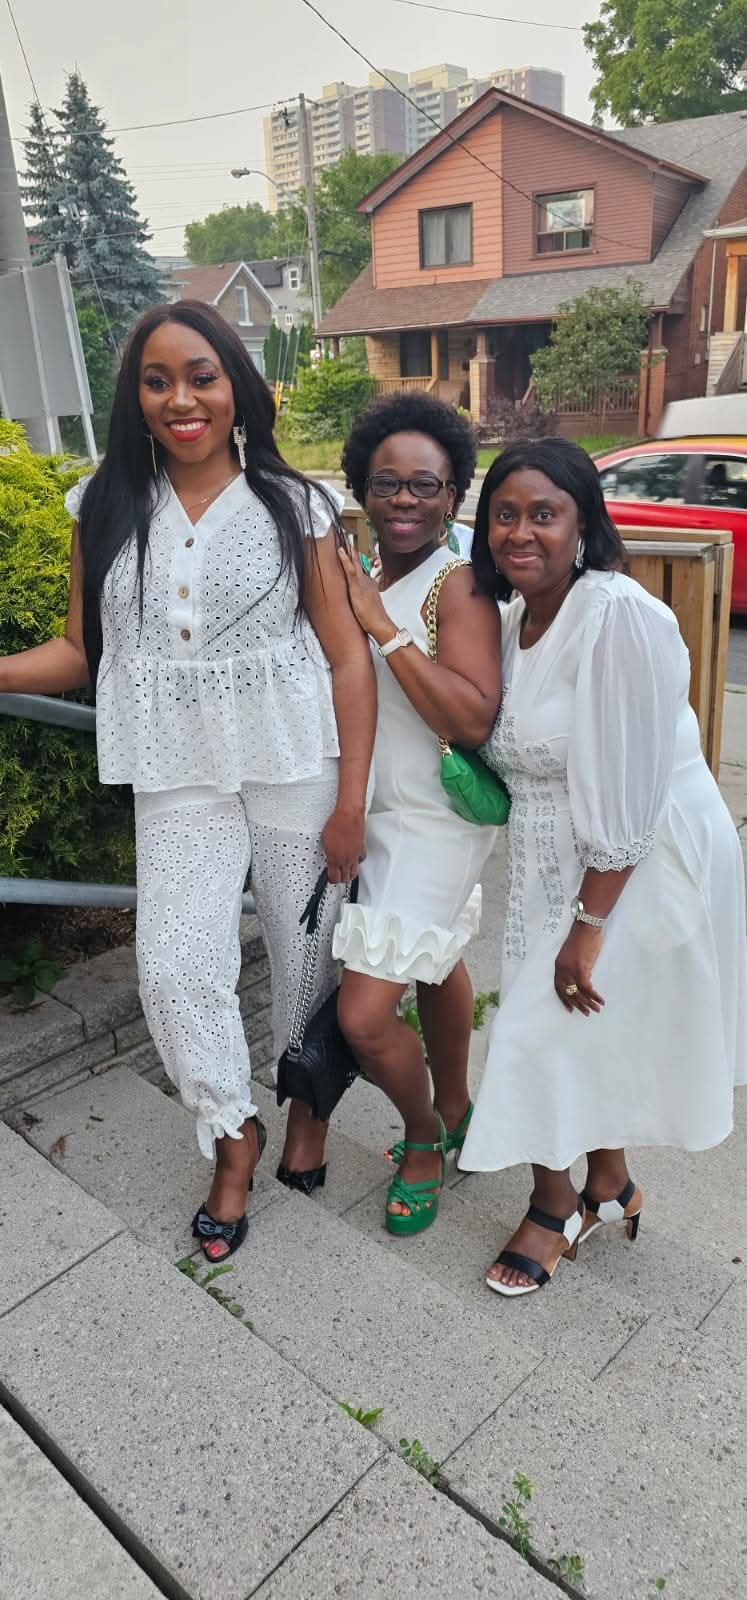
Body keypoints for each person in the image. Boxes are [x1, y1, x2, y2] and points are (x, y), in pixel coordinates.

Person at [0, 301, 375, 1258]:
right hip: (177, 768)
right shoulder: (102, 504)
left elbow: (345, 658)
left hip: (295, 760)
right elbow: (79, 651)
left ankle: (306, 1113)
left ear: (235, 386)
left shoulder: (292, 505)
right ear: (135, 397)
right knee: (173, 965)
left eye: (201, 376)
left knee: (305, 961)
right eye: (157, 380)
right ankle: (231, 1130)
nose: (182, 399)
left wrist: (350, 802)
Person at [460, 437, 747, 1297]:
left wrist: (587, 926)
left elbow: (627, 796)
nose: (520, 532)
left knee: (539, 1028)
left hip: (636, 855)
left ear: (583, 522)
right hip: (554, 852)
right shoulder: (517, 619)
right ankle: (609, 1185)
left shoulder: (617, 615)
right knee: (580, 1029)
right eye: (503, 514)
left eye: (542, 514)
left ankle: (551, 1207)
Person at [334, 393, 502, 1236]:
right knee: (434, 960)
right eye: (385, 482)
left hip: (433, 819)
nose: (403, 498)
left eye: (423, 484)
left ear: (452, 495)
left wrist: (381, 627)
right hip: (375, 807)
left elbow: (471, 717)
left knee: (364, 1017)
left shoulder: (457, 584)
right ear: (362, 489)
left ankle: (424, 1136)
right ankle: (459, 1102)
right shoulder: (364, 568)